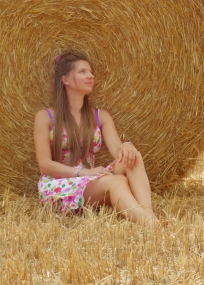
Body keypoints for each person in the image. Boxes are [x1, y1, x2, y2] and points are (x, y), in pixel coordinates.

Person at [33, 51, 162, 225]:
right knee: (117, 182)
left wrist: (127, 146)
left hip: (93, 180)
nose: (90, 76)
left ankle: (148, 214)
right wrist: (84, 172)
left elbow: (118, 152)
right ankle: (151, 224)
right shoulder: (45, 117)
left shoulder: (101, 116)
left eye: (91, 72)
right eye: (82, 71)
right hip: (60, 185)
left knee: (133, 158)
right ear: (65, 80)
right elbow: (45, 165)